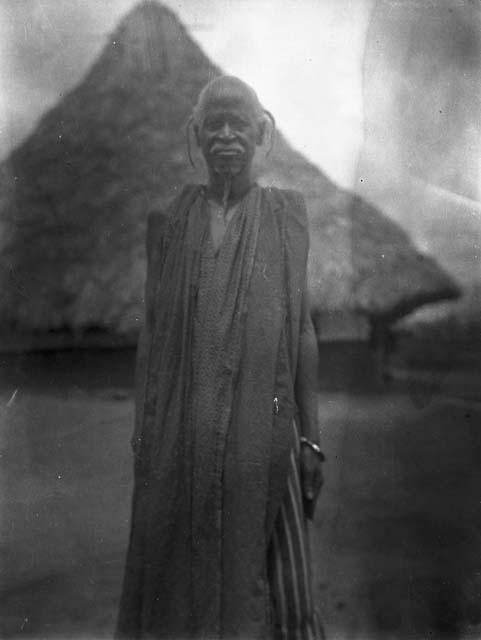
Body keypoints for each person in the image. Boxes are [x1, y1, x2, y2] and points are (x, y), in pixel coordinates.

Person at [116, 75, 325, 640]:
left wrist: (311, 438)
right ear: (197, 136)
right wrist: (144, 435)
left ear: (262, 133)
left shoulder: (285, 219)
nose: (227, 135)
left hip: (266, 435)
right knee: (180, 580)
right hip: (183, 440)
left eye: (239, 124)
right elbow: (153, 333)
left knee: (280, 585)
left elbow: (301, 328)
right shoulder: (170, 225)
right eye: (215, 125)